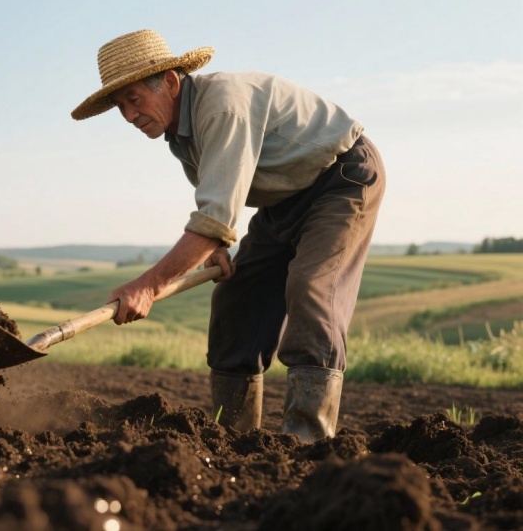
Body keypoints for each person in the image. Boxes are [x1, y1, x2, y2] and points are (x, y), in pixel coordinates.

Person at [71, 29, 385, 442]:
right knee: (237, 301)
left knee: (312, 289)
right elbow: (219, 203)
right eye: (119, 106)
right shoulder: (181, 134)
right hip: (282, 202)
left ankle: (310, 442)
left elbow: (214, 217)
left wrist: (149, 285)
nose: (129, 116)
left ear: (169, 81)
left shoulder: (220, 106)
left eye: (133, 99)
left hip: (338, 180)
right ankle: (232, 440)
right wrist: (216, 244)